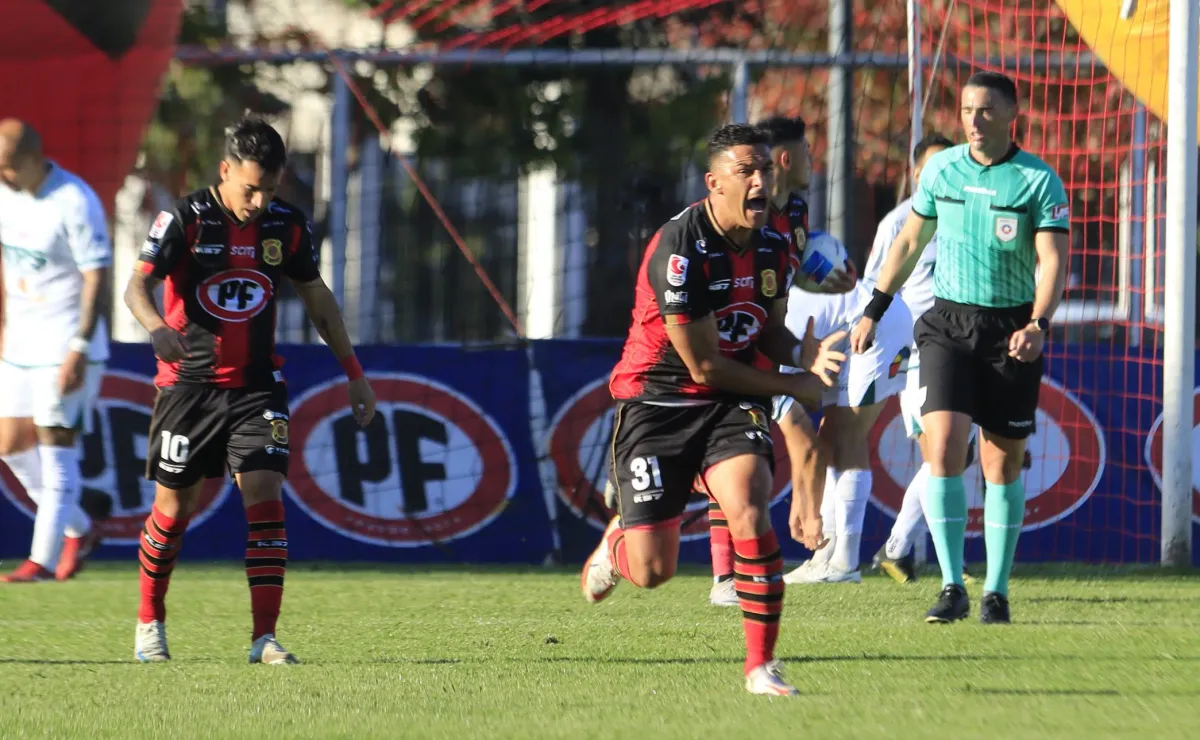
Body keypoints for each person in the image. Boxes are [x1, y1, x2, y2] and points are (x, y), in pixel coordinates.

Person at [581, 123, 845, 697]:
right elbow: (703, 366)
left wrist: (803, 354)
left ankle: (760, 667)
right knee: (654, 571)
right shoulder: (680, 250)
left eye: (765, 170)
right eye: (745, 171)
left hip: (731, 403)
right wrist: (796, 384)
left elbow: (765, 329)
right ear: (714, 182)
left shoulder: (774, 243)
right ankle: (617, 545)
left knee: (749, 506)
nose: (760, 182)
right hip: (658, 401)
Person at [124, 117, 377, 663]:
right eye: (250, 188)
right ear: (225, 170)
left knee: (265, 493)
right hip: (187, 386)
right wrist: (157, 328)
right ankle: (149, 622)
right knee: (173, 510)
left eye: (270, 189)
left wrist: (354, 372)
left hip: (257, 387)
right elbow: (136, 286)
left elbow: (318, 299)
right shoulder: (185, 218)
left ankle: (264, 637)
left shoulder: (287, 225)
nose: (260, 202)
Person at [850, 72, 1070, 624]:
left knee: (1001, 463)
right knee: (943, 448)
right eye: (968, 109)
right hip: (947, 324)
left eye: (986, 109)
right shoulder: (941, 170)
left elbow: (1052, 261)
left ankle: (996, 591)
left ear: (1011, 114)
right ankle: (952, 586)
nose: (974, 119)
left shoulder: (1037, 181)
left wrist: (1039, 323)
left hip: (1011, 330)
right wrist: (874, 306)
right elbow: (909, 239)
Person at [864, 133, 981, 584]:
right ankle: (932, 557)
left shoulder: (970, 214)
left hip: (966, 346)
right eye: (933, 166)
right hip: (919, 351)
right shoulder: (899, 223)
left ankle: (899, 550)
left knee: (956, 455)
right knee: (941, 453)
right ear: (916, 174)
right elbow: (875, 283)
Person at [0, 119, 109, 582]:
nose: (2, 175)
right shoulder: (5, 195)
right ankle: (80, 528)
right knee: (9, 446)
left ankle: (40, 561)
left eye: (7, 167)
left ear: (31, 159)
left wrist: (79, 347)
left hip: (65, 344)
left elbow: (97, 276)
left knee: (56, 447)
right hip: (20, 343)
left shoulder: (75, 200)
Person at [773, 229, 913, 585]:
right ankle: (827, 558)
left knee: (847, 436)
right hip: (861, 322)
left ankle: (844, 563)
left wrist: (803, 505)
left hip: (881, 324)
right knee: (833, 435)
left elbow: (805, 447)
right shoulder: (774, 322)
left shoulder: (770, 353)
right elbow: (812, 447)